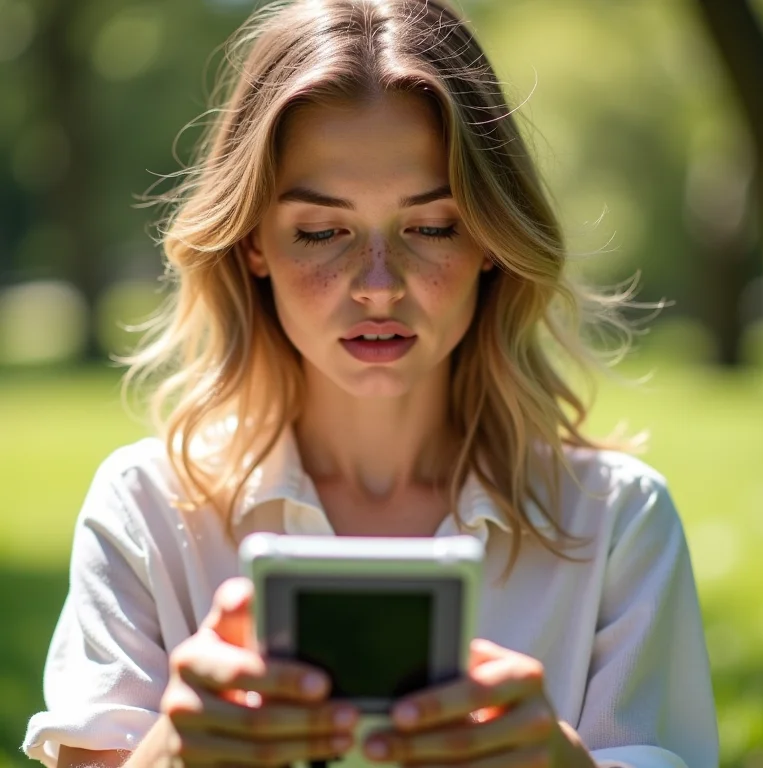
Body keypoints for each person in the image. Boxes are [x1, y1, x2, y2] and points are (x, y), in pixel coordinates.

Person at [24, 0, 719, 766]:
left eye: (431, 228)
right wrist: (172, 752)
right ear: (254, 242)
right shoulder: (145, 511)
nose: (379, 287)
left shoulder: (617, 522)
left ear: (491, 239)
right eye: (322, 232)